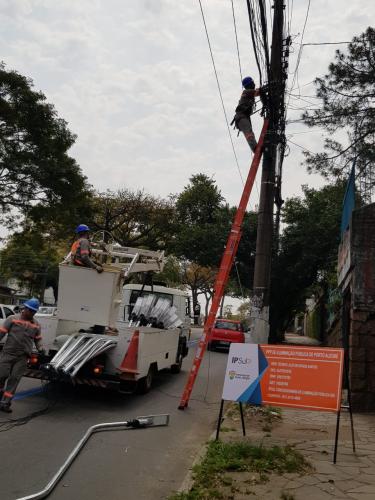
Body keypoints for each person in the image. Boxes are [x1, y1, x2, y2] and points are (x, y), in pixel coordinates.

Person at [0, 298, 44, 413]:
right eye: (31, 310)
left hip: (23, 357)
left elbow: (38, 340)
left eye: (34, 311)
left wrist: (41, 348)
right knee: (1, 376)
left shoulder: (36, 325)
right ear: (25, 308)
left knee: (14, 379)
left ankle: (5, 403)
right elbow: (2, 332)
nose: (32, 313)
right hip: (8, 353)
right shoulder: (12, 319)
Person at [232, 76, 261, 153]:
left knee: (250, 132)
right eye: (252, 83)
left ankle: (255, 148)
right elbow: (258, 92)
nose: (254, 84)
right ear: (249, 84)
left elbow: (257, 91)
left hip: (243, 117)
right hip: (241, 117)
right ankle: (255, 148)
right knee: (249, 133)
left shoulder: (248, 93)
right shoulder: (247, 92)